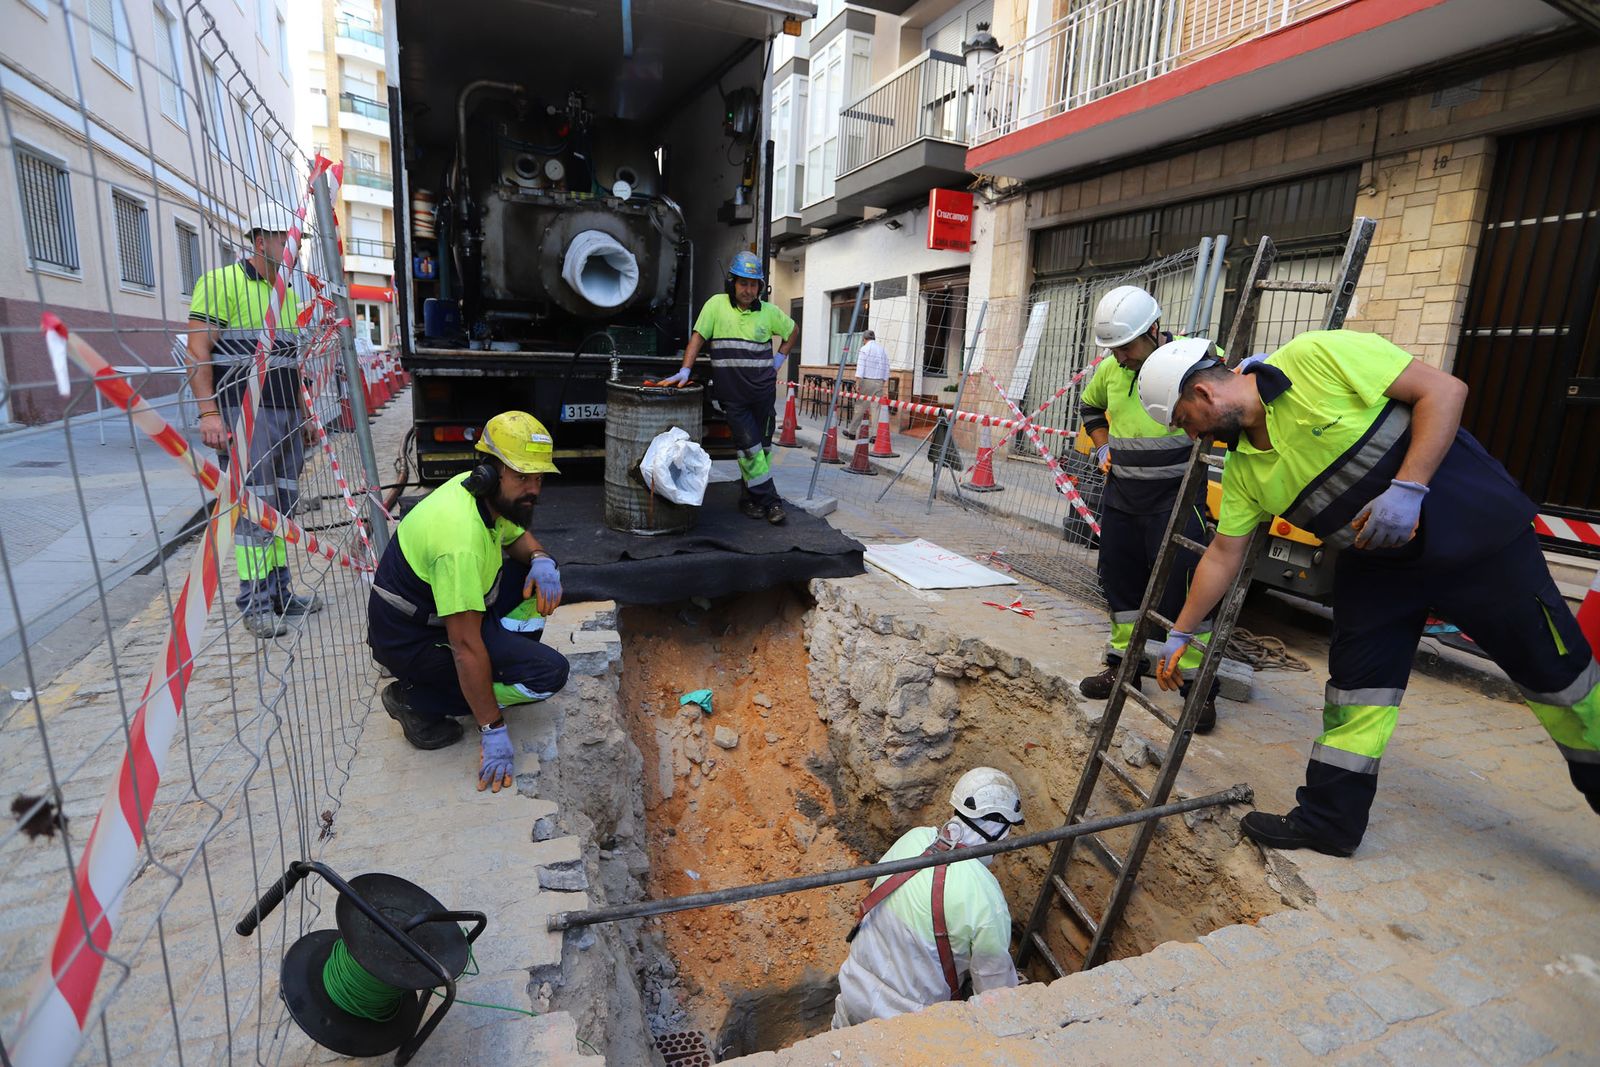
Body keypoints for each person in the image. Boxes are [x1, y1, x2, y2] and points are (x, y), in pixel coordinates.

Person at [1138, 331, 1600, 856]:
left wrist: (1409, 487)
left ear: (1202, 394)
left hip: (1475, 538)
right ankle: (1328, 823)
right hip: (1378, 565)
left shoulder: (1315, 358)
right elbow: (1224, 554)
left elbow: (1444, 391)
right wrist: (1180, 631)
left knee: (1563, 684)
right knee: (1358, 691)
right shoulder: (1244, 468)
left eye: (1183, 421)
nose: (1191, 435)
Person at [367, 411, 571, 793]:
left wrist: (542, 559)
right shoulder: (460, 542)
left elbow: (515, 537)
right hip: (414, 638)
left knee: (537, 582)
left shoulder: (481, 493)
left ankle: (490, 669)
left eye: (539, 478)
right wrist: (492, 729)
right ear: (491, 473)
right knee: (549, 675)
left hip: (454, 608)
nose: (534, 489)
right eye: (522, 477)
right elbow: (464, 646)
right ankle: (418, 700)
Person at [1077, 285, 1220, 731]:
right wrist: (1102, 449)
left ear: (1154, 330)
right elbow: (1090, 409)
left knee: (1187, 590)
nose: (1120, 357)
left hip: (1176, 501)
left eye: (1126, 347)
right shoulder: (1110, 370)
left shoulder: (1188, 362)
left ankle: (1197, 688)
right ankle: (1126, 664)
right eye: (1113, 349)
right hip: (1122, 498)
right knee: (1121, 586)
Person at [185, 203, 318, 640]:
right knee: (252, 512)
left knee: (281, 507)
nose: (292, 249)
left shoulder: (288, 294)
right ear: (261, 240)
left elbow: (291, 363)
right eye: (286, 240)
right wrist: (208, 413)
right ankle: (256, 603)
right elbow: (197, 352)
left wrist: (304, 412)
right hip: (246, 417)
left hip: (284, 416)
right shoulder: (220, 283)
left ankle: (281, 594)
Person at [833, 767, 1025, 1028]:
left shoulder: (914, 837)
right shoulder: (985, 896)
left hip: (851, 1000)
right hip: (903, 1027)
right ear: (1000, 829)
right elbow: (996, 990)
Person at [659, 250, 795, 524]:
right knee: (750, 450)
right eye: (743, 283)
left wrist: (778, 361)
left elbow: (792, 332)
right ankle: (772, 502)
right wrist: (685, 370)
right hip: (735, 399)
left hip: (763, 395)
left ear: (760, 287)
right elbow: (697, 338)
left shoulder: (769, 313)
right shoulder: (716, 306)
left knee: (762, 451)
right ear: (732, 283)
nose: (748, 289)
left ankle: (750, 498)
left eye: (753, 284)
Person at [855, 329, 890, 428]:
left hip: (866, 381)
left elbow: (860, 366)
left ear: (865, 339)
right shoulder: (882, 349)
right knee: (876, 408)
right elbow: (887, 366)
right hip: (879, 381)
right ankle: (874, 435)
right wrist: (883, 380)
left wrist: (857, 382)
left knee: (860, 406)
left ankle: (852, 431)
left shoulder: (864, 349)